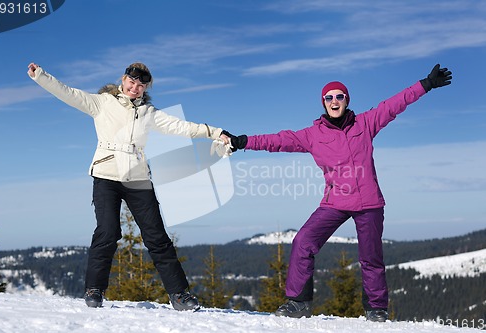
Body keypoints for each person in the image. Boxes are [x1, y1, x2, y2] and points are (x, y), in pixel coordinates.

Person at [224, 64, 452, 321]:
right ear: (323, 103)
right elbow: (277, 140)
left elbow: (394, 104)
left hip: (369, 202)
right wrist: (242, 141)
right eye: (329, 97)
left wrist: (426, 84)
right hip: (336, 201)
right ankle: (298, 302)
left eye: (339, 96)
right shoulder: (312, 135)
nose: (334, 101)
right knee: (303, 241)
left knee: (371, 256)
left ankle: (376, 308)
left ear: (347, 100)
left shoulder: (365, 123)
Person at [27, 62, 231, 311]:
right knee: (107, 232)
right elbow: (68, 93)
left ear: (145, 88)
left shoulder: (149, 113)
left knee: (157, 238)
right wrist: (41, 76)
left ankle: (180, 295)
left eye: (141, 85)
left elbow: (182, 127)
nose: (135, 88)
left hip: (138, 178)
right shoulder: (102, 103)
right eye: (132, 82)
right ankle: (94, 289)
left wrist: (215, 132)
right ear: (123, 80)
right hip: (106, 175)